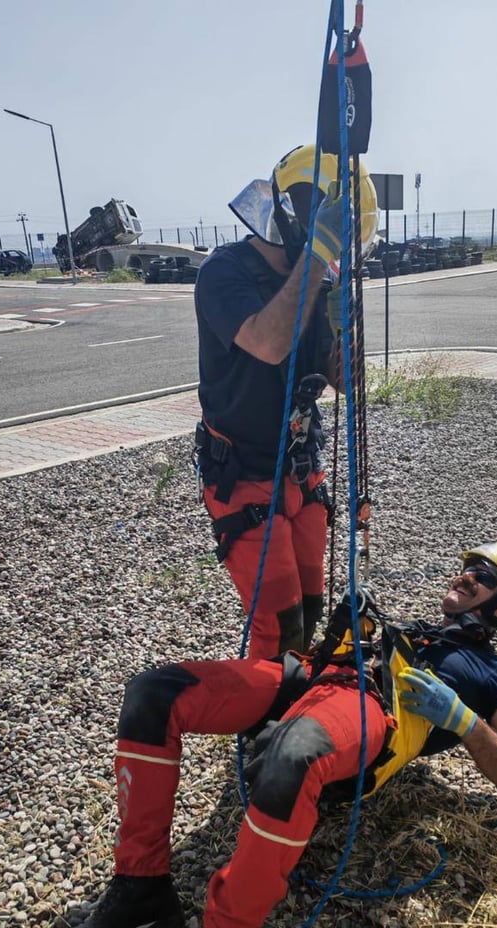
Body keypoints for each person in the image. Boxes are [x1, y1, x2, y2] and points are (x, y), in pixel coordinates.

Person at [40, 542, 497, 928]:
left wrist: (463, 720)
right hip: (312, 676)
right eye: (465, 568)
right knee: (154, 692)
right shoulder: (422, 629)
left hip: (373, 709)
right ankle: (140, 891)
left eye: (480, 576)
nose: (463, 578)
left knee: (290, 756)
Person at [192, 143, 377, 658]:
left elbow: (348, 385)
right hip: (243, 474)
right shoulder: (224, 272)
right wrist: (317, 259)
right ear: (301, 218)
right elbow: (270, 345)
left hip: (302, 467)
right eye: (337, 241)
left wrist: (346, 328)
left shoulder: (321, 276)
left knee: (312, 607)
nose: (340, 256)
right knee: (279, 627)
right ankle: (262, 729)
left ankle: (293, 707)